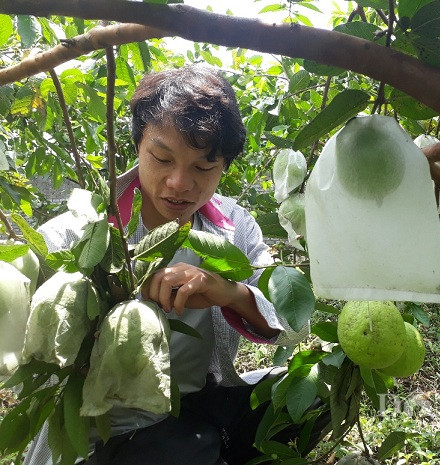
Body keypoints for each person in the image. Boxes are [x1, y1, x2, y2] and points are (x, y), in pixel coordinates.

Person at [24, 65, 327, 465]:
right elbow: (34, 268)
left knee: (316, 391)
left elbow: (292, 325)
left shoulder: (234, 227)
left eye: (203, 167)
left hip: (199, 403)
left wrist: (229, 292)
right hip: (112, 426)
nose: (179, 183)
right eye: (162, 158)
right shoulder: (90, 226)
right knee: (180, 448)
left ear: (224, 167)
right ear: (137, 146)